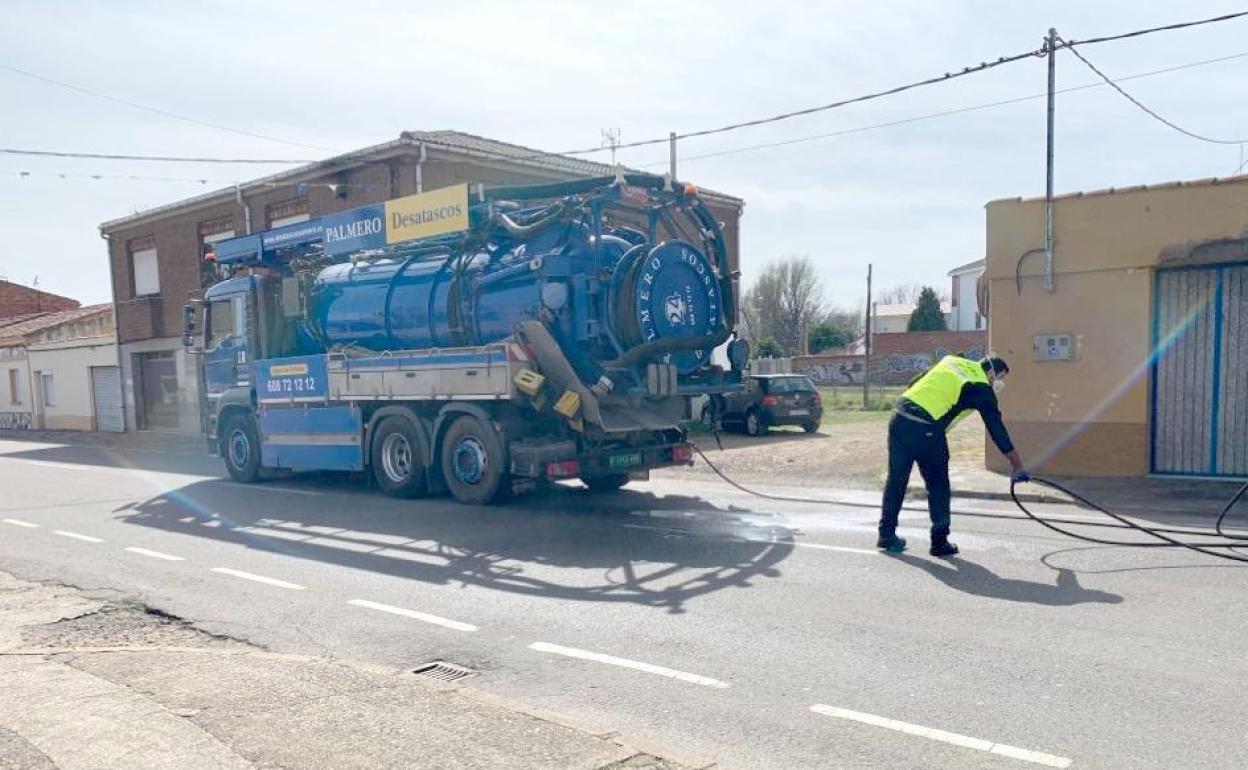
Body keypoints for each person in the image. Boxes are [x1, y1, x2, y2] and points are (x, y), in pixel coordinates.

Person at [877, 355, 1028, 557]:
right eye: (1000, 378)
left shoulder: (952, 360)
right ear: (992, 372)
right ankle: (939, 543)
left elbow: (915, 382)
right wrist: (1016, 464)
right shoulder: (981, 386)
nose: (999, 383)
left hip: (899, 416)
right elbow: (996, 427)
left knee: (896, 480)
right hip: (925, 427)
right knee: (938, 485)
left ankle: (886, 535)